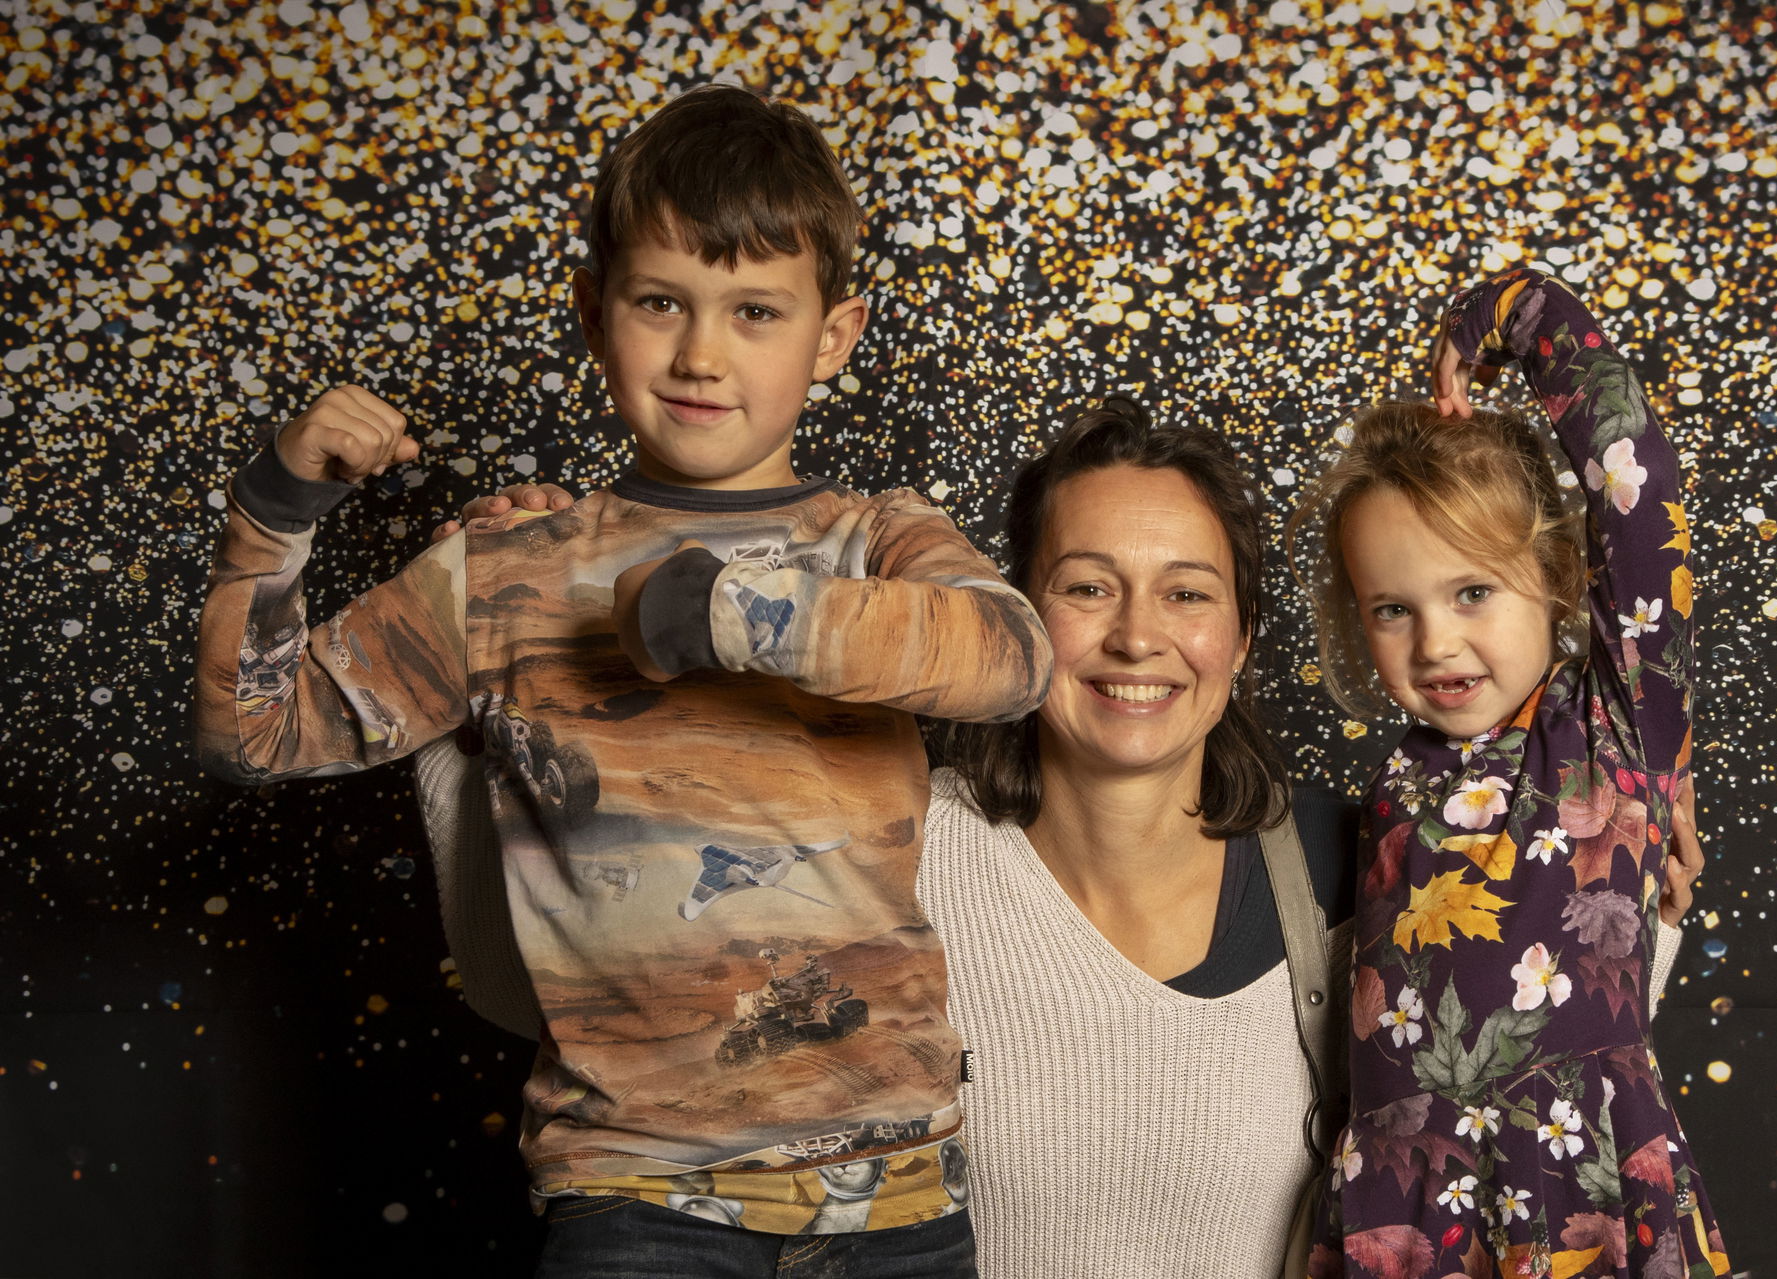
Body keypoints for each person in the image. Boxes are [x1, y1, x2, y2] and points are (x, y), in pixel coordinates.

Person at [462, 393, 1701, 1278]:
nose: (1136, 636)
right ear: (1014, 618)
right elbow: (562, 979)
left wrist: (1643, 873)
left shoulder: (1354, 858)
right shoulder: (896, 846)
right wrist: (526, 639)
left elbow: (1547, 1035)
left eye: (1187, 592)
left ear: (1244, 637)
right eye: (1088, 586)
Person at [194, 83, 1056, 1277]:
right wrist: (277, 513)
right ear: (597, 313)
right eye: (663, 303)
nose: (703, 354)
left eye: (757, 311)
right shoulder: (508, 567)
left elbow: (1011, 657)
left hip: (894, 1200)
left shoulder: (877, 541)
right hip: (635, 1197)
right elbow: (256, 730)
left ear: (834, 334)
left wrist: (734, 609)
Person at [1287, 271, 1727, 1277]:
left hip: (1578, 1191)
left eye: (1473, 590)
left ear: (1562, 578)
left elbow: (1638, 479)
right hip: (1405, 1204)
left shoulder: (1618, 725)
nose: (1435, 638)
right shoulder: (1399, 782)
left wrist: (1501, 320)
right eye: (1392, 607)